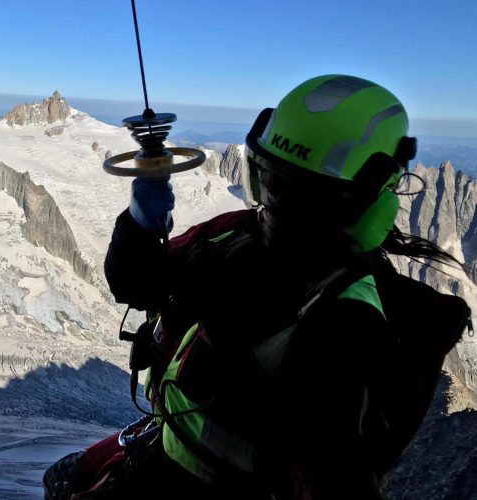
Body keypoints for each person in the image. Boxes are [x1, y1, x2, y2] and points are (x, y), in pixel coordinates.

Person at [44, 75, 471, 499]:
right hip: (168, 451)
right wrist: (139, 226)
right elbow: (139, 283)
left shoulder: (348, 316)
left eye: (291, 190)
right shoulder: (238, 235)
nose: (273, 202)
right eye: (268, 178)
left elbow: (334, 473)